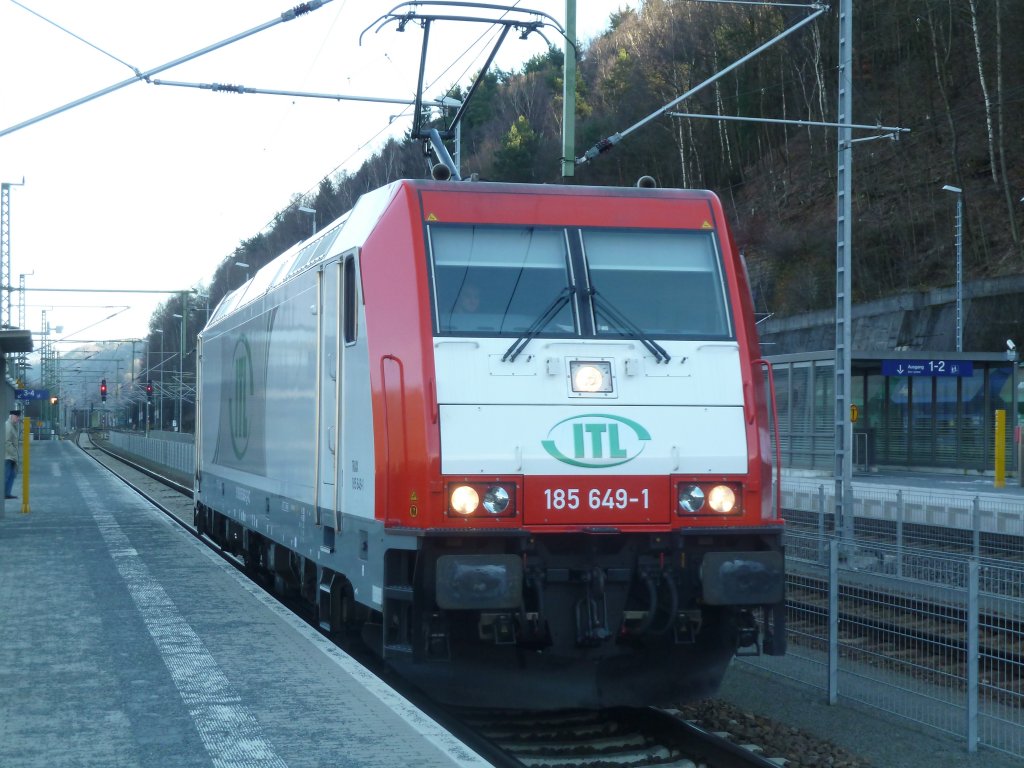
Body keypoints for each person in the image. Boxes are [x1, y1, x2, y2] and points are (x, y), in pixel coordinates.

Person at [5, 409, 21, 500]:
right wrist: (14, 454)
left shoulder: (13, 426)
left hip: (11, 456)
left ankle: (7, 493)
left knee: (11, 475)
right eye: (17, 417)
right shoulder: (8, 426)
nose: (18, 419)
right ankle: (5, 493)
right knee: (6, 475)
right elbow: (6, 442)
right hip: (8, 456)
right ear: (12, 416)